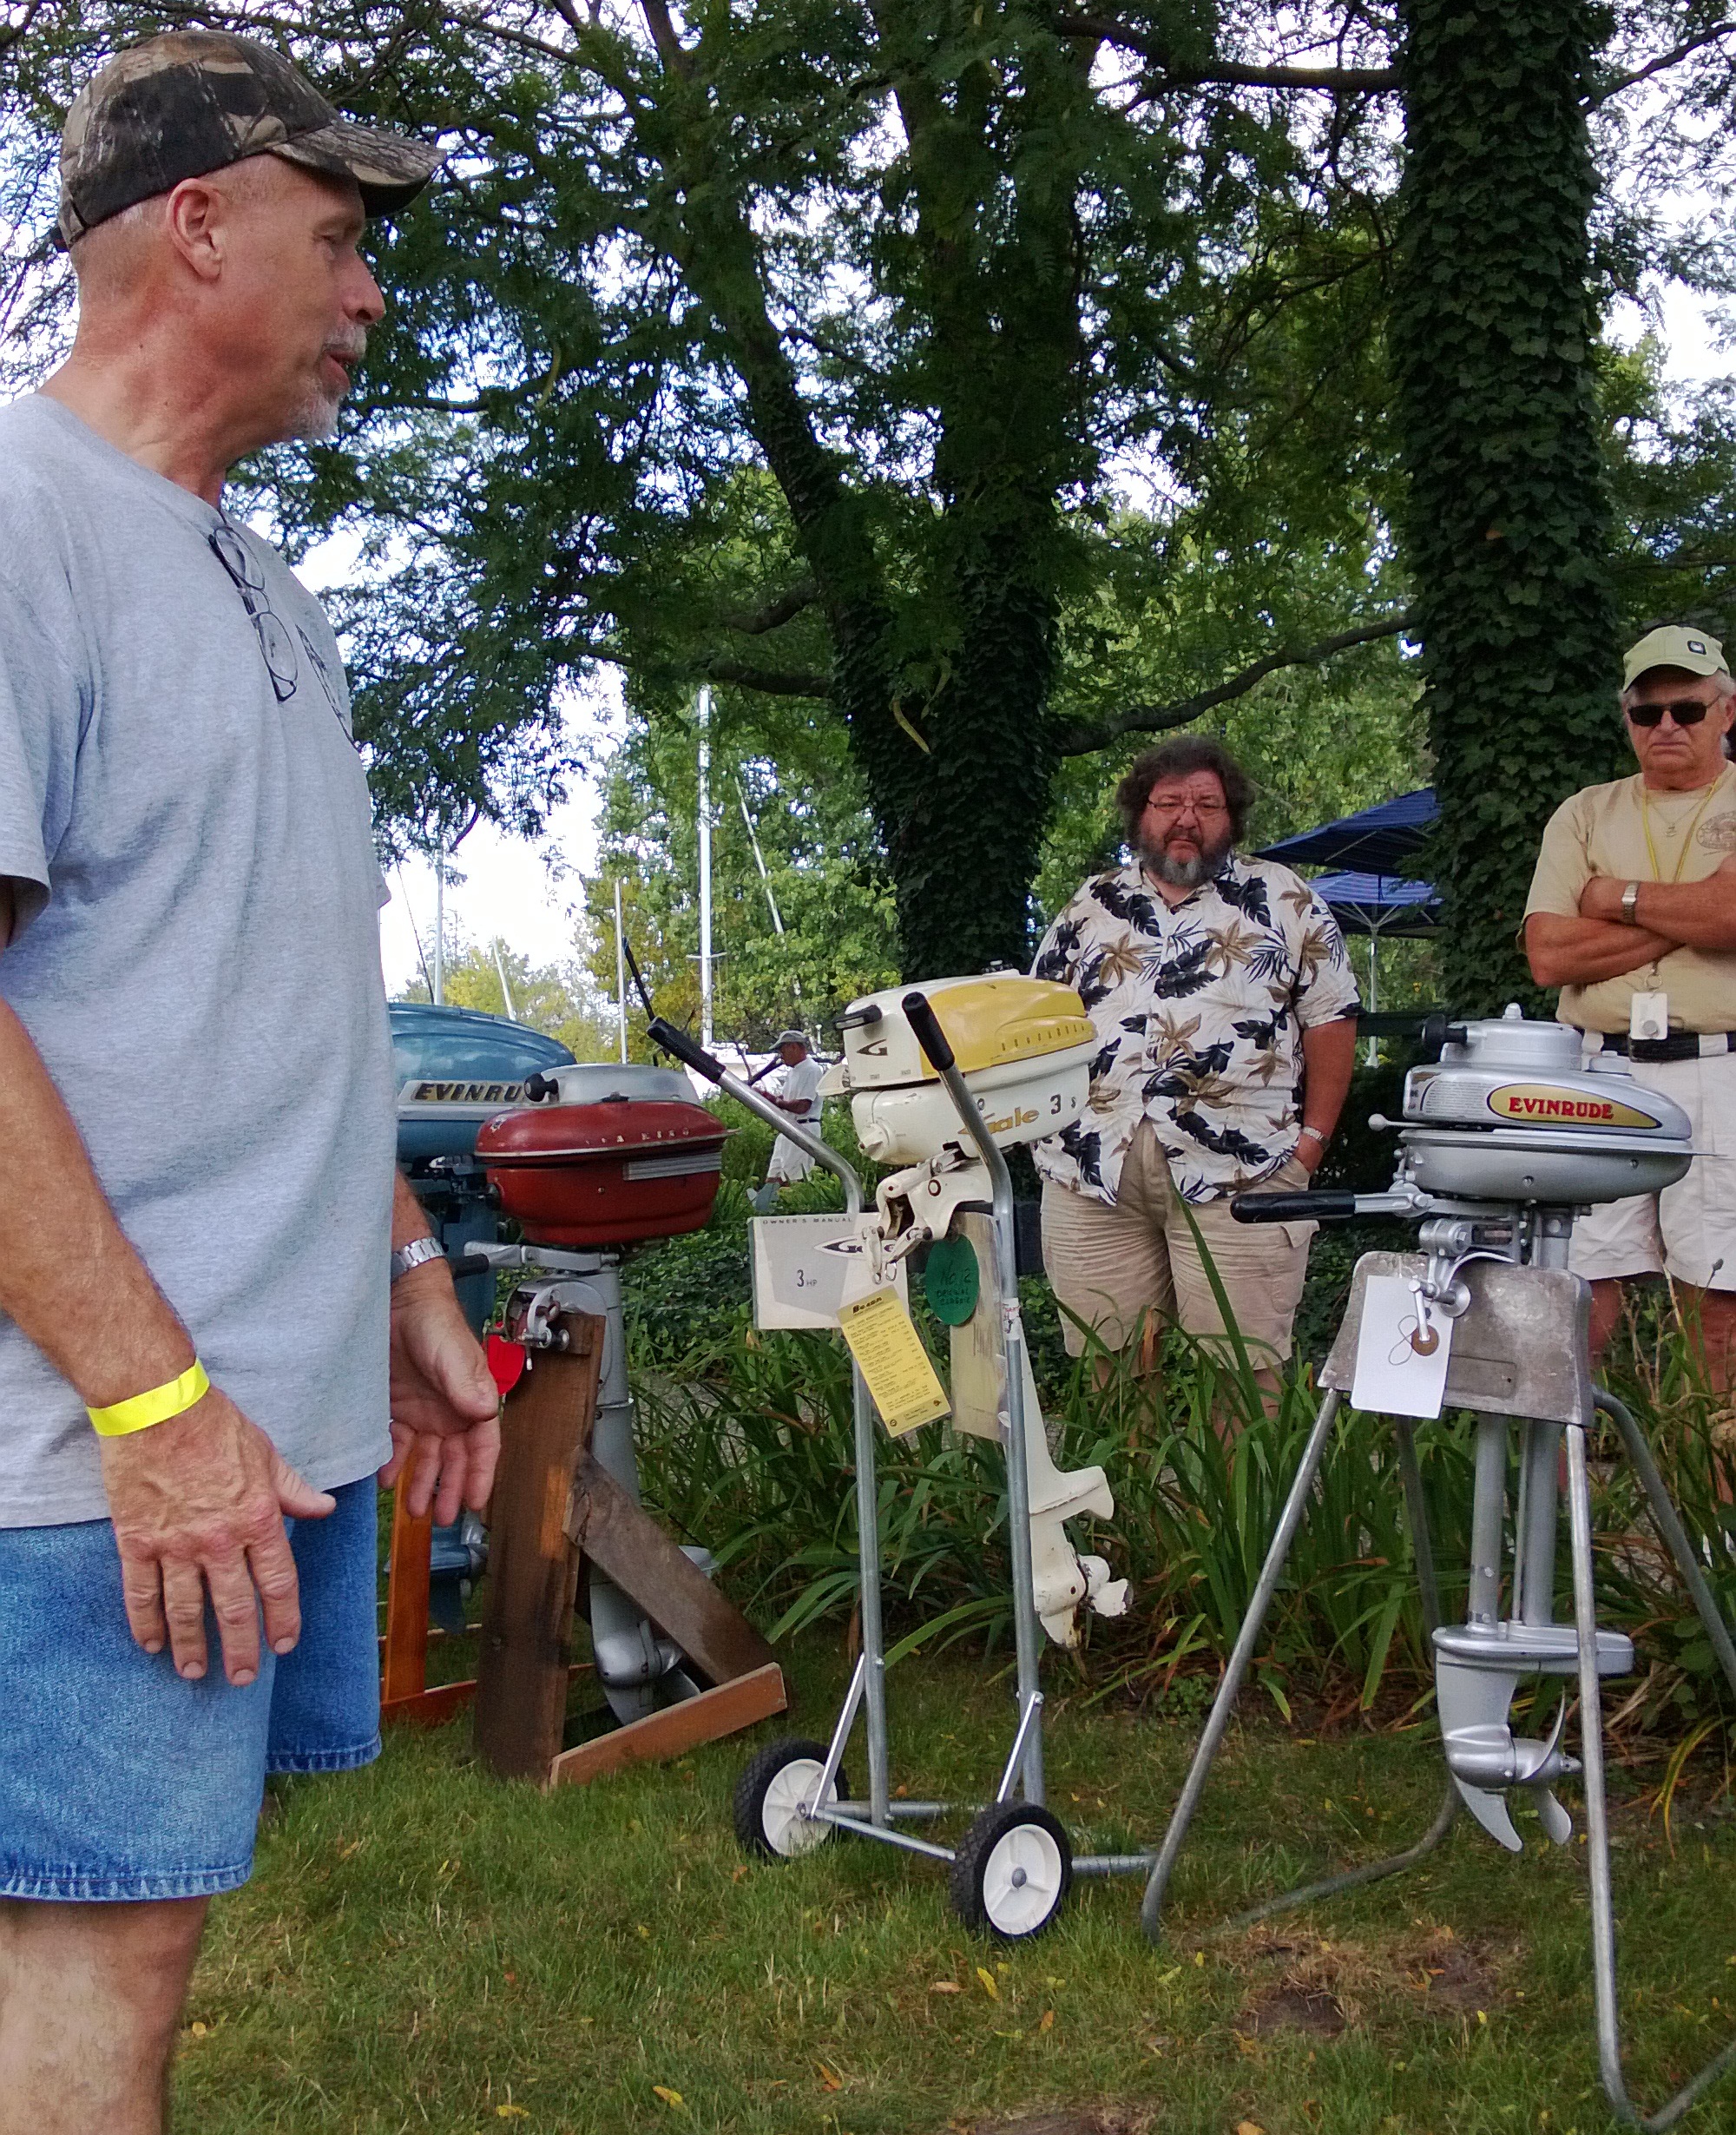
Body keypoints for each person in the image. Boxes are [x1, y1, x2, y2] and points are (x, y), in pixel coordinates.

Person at [0, 33, 501, 2135]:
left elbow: (272, 990)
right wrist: (151, 1410)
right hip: (89, 1446)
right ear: (194, 223)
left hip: (242, 1422)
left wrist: (400, 1273)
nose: (369, 292)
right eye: (341, 234)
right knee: (85, 1967)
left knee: (134, 1946)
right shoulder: (21, 519)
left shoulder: (253, 574)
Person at [1031, 736, 1360, 1390]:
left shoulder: (1285, 898)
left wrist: (1310, 1147)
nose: (1187, 818)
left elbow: (1333, 1017)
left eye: (1207, 804)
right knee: (1113, 1380)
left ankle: (1240, 1472)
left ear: (1231, 816)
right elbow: (1036, 1018)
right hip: (1091, 1175)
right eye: (1169, 803)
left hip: (1245, 1171)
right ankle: (1135, 1469)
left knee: (1245, 1380)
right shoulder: (1090, 904)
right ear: (1140, 813)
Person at [1524, 624, 1736, 1387]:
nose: (1666, 725)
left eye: (1687, 708)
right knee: (1581, 1291)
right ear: (1627, 719)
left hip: (1719, 1066)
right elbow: (1549, 955)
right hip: (1599, 1067)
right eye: (1647, 713)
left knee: (1720, 1299)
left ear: (1727, 711)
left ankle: (1707, 1465)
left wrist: (1612, 897)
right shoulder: (1585, 811)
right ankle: (1575, 1462)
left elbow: (1732, 916)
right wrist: (1694, 913)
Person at [753, 1028, 825, 1210]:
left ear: (793, 1047)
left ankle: (795, 1211)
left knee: (795, 1180)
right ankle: (765, 1211)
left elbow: (802, 1106)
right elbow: (788, 1102)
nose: (781, 1054)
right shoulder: (794, 1072)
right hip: (788, 1130)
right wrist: (768, 1099)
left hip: (803, 1129)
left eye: (782, 1049)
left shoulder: (811, 1069)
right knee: (774, 1176)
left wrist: (776, 1101)